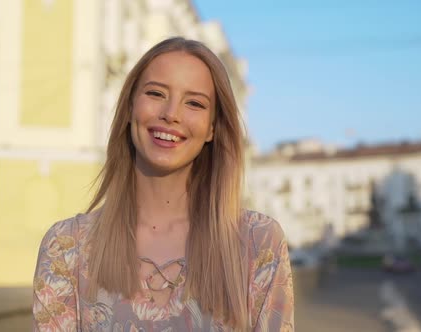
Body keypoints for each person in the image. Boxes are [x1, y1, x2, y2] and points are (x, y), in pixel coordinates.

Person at [33, 37, 294, 331]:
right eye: (156, 93)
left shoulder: (258, 243)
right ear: (131, 106)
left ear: (212, 127)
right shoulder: (68, 248)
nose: (171, 114)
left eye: (194, 103)